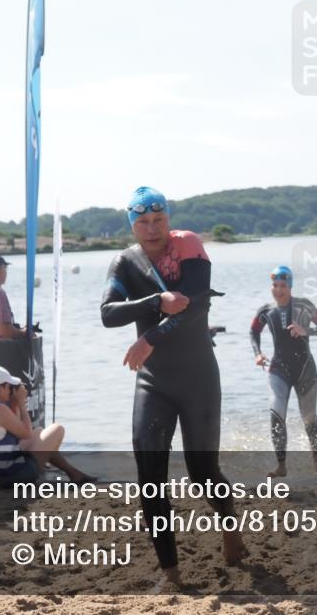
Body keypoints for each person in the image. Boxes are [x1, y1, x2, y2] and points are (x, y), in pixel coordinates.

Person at [100, 186, 247, 586]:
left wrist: (149, 338)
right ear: (132, 225)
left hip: (198, 375)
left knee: (203, 472)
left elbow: (197, 305)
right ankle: (171, 572)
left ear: (169, 218)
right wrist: (154, 303)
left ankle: (230, 526)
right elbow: (108, 313)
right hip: (154, 381)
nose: (152, 229)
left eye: (159, 220)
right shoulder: (125, 262)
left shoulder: (189, 247)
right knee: (150, 475)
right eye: (143, 222)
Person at [250, 265, 317, 477]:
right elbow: (253, 331)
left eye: (283, 285)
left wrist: (307, 330)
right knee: (276, 414)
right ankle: (281, 465)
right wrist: (258, 353)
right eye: (274, 285)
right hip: (278, 369)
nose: (278, 290)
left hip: (305, 369)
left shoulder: (304, 306)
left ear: (290, 286)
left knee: (309, 417)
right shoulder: (265, 311)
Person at [0, 365, 94, 486]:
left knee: (39, 431)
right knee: (57, 430)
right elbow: (26, 433)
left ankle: (73, 473)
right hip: (0, 475)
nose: (10, 390)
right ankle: (70, 473)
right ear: (0, 388)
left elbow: (16, 435)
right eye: (8, 386)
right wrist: (22, 403)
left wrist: (15, 404)